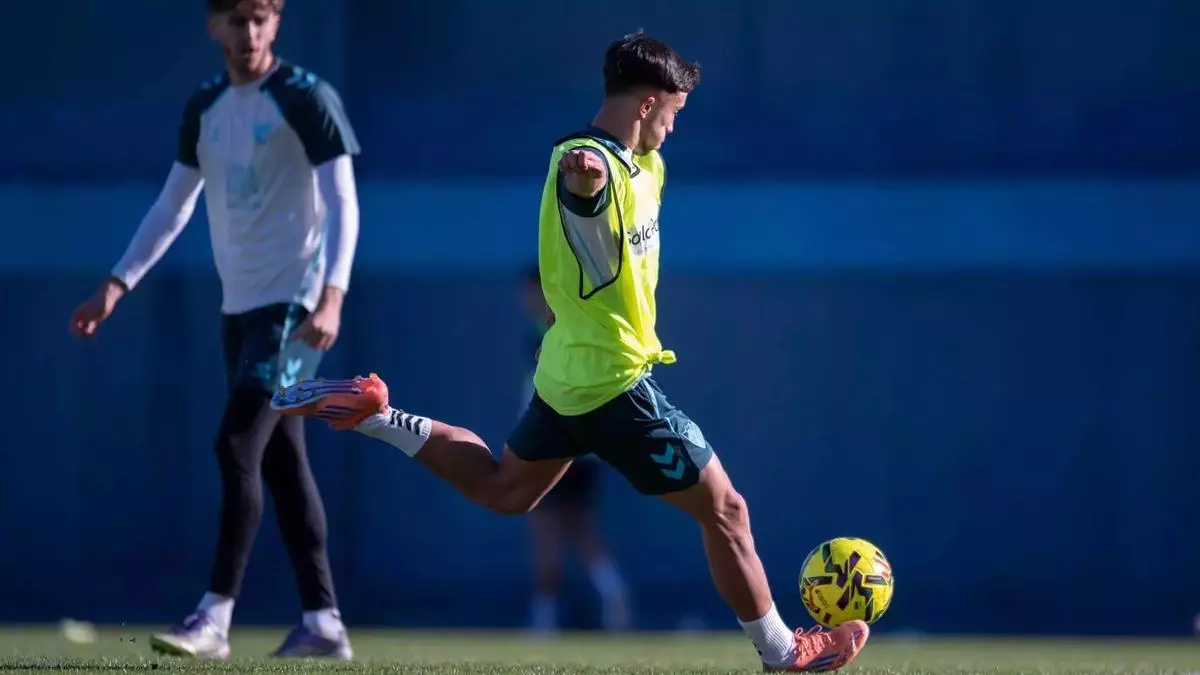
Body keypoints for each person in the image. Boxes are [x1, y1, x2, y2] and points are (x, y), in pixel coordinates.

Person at [270, 31, 869, 672]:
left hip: (564, 375)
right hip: (614, 382)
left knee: (506, 491)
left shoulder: (649, 167)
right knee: (726, 509)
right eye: (673, 111)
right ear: (647, 103)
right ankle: (784, 653)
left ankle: (376, 414)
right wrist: (583, 186)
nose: (674, 126)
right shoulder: (582, 162)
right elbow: (584, 194)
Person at [68, 0, 358, 661]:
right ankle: (324, 621)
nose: (248, 32)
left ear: (276, 22)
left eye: (260, 17)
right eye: (236, 18)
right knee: (282, 462)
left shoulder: (306, 96)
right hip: (240, 310)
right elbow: (173, 204)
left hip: (293, 309)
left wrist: (332, 296)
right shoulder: (205, 106)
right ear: (213, 26)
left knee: (236, 447)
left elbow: (343, 198)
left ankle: (213, 618)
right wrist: (116, 284)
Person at [519, 267, 632, 634]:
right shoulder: (560, 327)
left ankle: (545, 617)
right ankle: (612, 592)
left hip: (556, 444)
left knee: (547, 530)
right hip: (581, 447)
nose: (527, 300)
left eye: (533, 291)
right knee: (577, 529)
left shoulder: (552, 330)